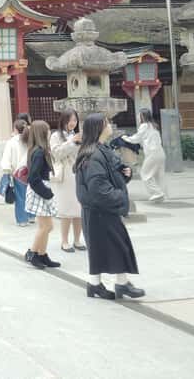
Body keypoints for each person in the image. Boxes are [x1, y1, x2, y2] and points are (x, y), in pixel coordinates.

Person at [75, 113, 145, 300]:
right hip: (100, 209)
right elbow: (98, 187)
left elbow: (110, 175)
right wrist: (119, 196)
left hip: (98, 209)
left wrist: (124, 174)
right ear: (99, 128)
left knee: (103, 248)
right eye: (106, 123)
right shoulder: (94, 155)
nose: (110, 126)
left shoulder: (99, 150)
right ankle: (120, 283)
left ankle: (96, 284)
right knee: (117, 246)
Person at [24, 120, 61, 269]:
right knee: (46, 226)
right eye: (48, 130)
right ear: (42, 133)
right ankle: (33, 253)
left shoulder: (36, 150)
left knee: (46, 226)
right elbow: (33, 177)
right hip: (40, 190)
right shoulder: (39, 152)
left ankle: (42, 254)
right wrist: (47, 193)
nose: (50, 132)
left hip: (39, 189)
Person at [50, 109, 85, 252]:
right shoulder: (56, 136)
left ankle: (77, 240)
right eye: (70, 120)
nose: (72, 123)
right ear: (63, 120)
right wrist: (72, 142)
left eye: (75, 120)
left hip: (79, 174)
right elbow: (56, 154)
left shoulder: (77, 135)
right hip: (65, 176)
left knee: (79, 209)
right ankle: (64, 241)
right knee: (66, 210)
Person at [123, 108, 166, 202]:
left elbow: (136, 138)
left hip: (152, 153)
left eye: (139, 115)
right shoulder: (153, 125)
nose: (137, 117)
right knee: (158, 175)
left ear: (142, 116)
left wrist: (125, 138)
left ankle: (157, 193)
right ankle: (161, 195)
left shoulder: (144, 126)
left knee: (145, 173)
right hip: (160, 152)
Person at [0, 119, 31, 226]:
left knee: (20, 196)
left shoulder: (12, 142)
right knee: (31, 194)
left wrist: (6, 170)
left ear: (15, 129)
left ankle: (22, 219)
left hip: (18, 172)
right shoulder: (30, 140)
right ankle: (31, 216)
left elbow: (6, 158)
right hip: (30, 170)